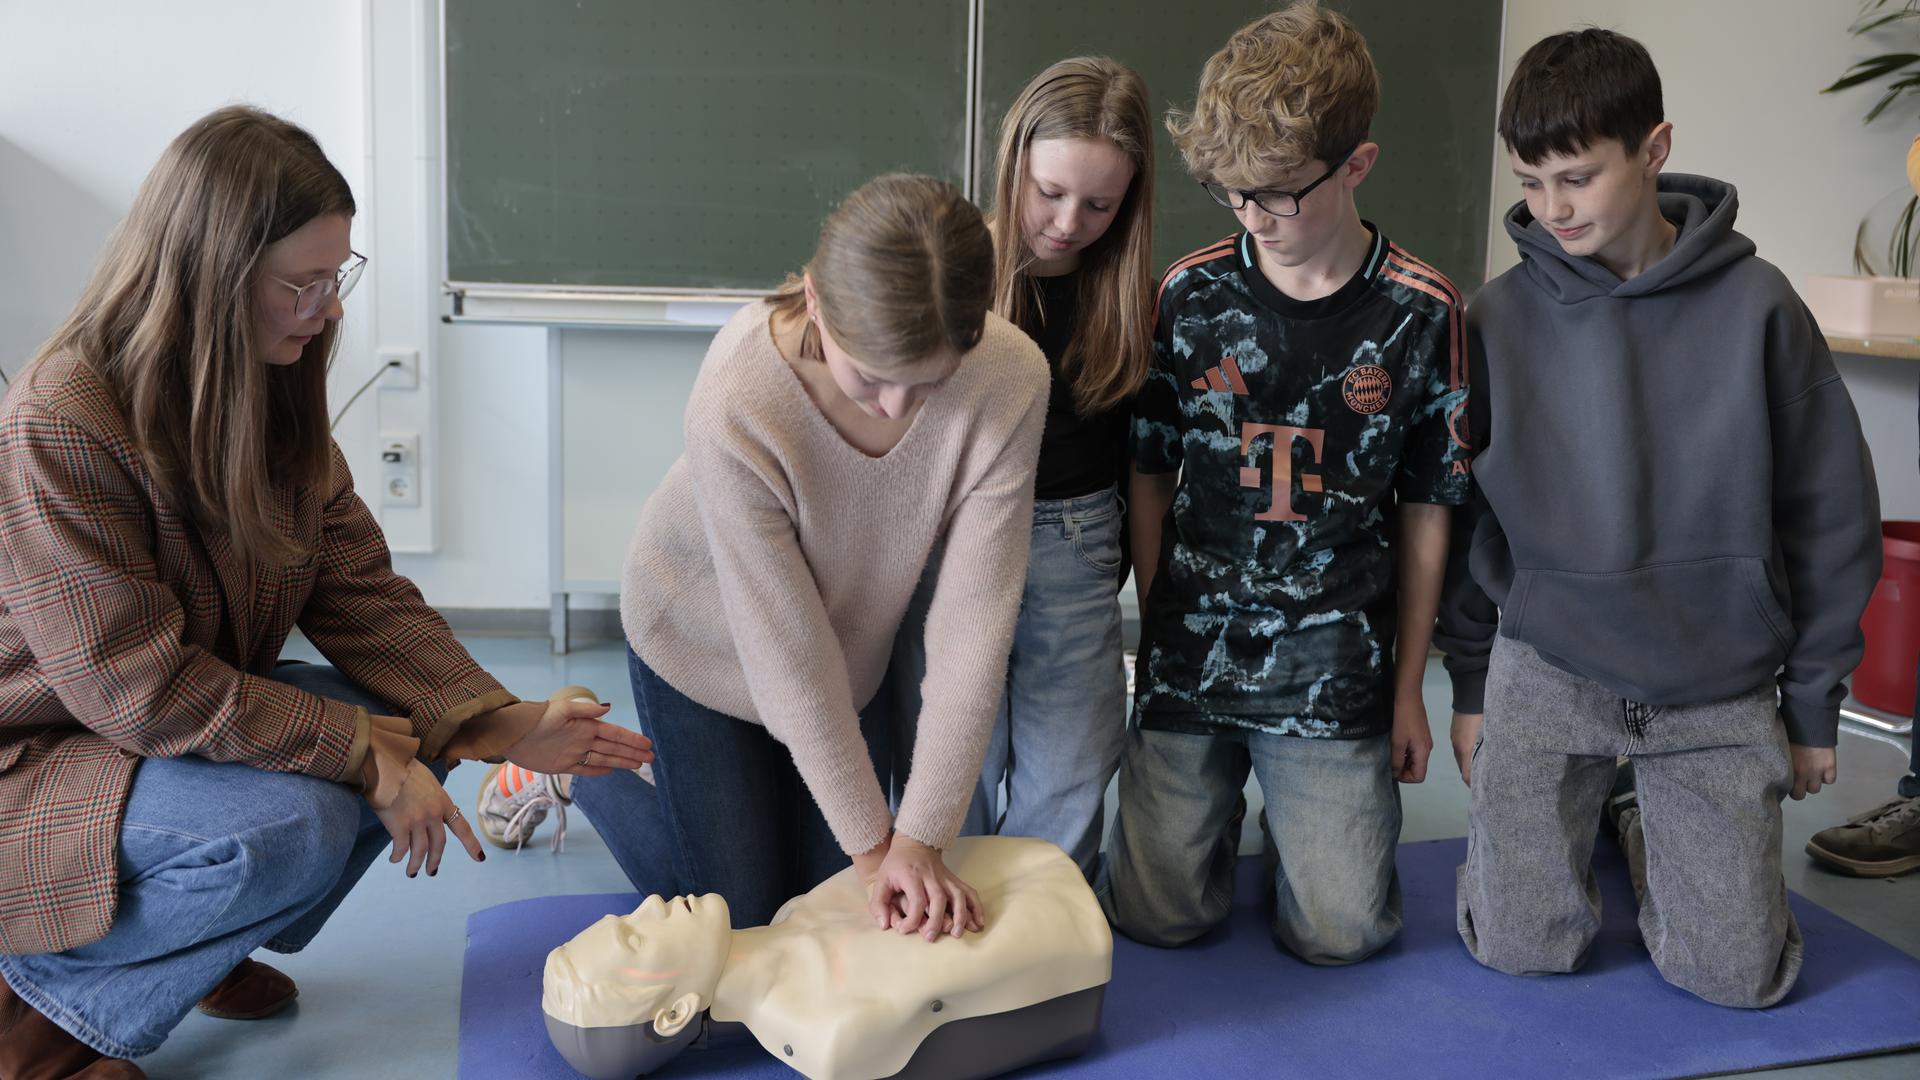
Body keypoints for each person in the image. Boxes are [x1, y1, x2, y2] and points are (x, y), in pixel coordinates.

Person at [0, 106, 652, 1077]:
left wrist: (505, 722)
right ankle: (40, 1023)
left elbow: (358, 590)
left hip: (151, 728)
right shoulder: (63, 419)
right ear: (209, 279)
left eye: (337, 276)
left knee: (400, 719)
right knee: (302, 819)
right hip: (49, 753)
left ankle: (195, 946)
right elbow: (135, 689)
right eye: (301, 284)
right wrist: (358, 756)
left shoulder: (267, 386)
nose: (330, 307)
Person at [1436, 29, 1880, 1008]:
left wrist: (1812, 705)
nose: (1552, 210)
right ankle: (1596, 814)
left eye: (1578, 178)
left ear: (1655, 147)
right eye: (1532, 180)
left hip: (1713, 681)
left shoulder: (1762, 306)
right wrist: (1474, 686)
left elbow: (1830, 513)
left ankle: (1639, 819)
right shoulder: (1496, 318)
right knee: (1518, 948)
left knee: (1735, 981)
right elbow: (1467, 518)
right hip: (1547, 667)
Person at [571, 174, 1050, 938]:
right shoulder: (739, 394)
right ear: (818, 303)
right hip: (700, 641)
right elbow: (786, 654)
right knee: (746, 926)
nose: (896, 408)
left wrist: (920, 841)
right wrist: (874, 853)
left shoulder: (1011, 379)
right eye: (869, 376)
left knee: (829, 920)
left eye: (928, 385)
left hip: (846, 650)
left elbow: (973, 629)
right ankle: (581, 776)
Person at [1103, 1, 1470, 964]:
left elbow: (1432, 508)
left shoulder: (1421, 312)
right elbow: (1148, 472)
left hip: (1334, 663)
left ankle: (1300, 824)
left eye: (1278, 194)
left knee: (1342, 936)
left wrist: (1407, 689)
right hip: (1193, 652)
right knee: (1156, 917)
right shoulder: (1188, 295)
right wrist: (1159, 641)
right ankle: (1214, 813)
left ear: (1356, 164)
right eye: (1235, 196)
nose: (1257, 219)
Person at [890, 56, 1155, 882]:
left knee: (1071, 763)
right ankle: (947, 932)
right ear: (1014, 167)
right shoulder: (949, 275)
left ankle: (1039, 947)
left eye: (1099, 204)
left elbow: (1145, 464)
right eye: (1050, 192)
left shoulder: (1133, 294)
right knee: (950, 766)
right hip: (953, 533)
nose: (1070, 222)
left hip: (1074, 544)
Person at [543, 836, 1110, 1080]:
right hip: (1069, 931)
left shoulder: (798, 914)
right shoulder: (834, 1032)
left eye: (627, 920)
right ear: (673, 1015)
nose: (647, 905)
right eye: (636, 938)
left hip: (1040, 884)